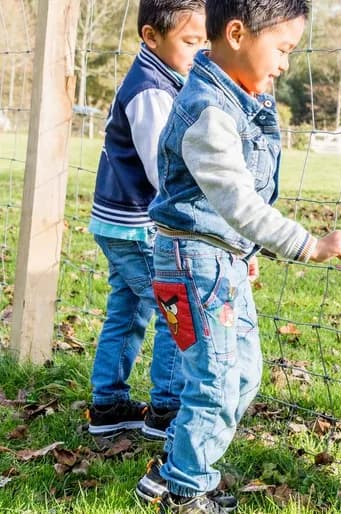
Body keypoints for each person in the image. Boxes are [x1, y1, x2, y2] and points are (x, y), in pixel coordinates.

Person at [141, 0, 341, 511]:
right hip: (195, 264)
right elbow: (236, 199)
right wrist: (308, 244)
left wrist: (246, 250)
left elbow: (239, 207)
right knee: (216, 380)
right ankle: (186, 491)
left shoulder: (238, 99)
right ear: (237, 33)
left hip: (223, 259)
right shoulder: (209, 112)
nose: (285, 64)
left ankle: (179, 463)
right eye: (282, 49)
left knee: (243, 374)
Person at [87, 0, 206, 442]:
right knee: (175, 308)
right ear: (151, 37)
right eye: (190, 41)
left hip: (117, 223)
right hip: (137, 224)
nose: (198, 51)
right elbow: (164, 169)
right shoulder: (152, 91)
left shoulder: (158, 79)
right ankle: (167, 408)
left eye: (203, 41)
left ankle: (109, 403)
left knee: (127, 307)